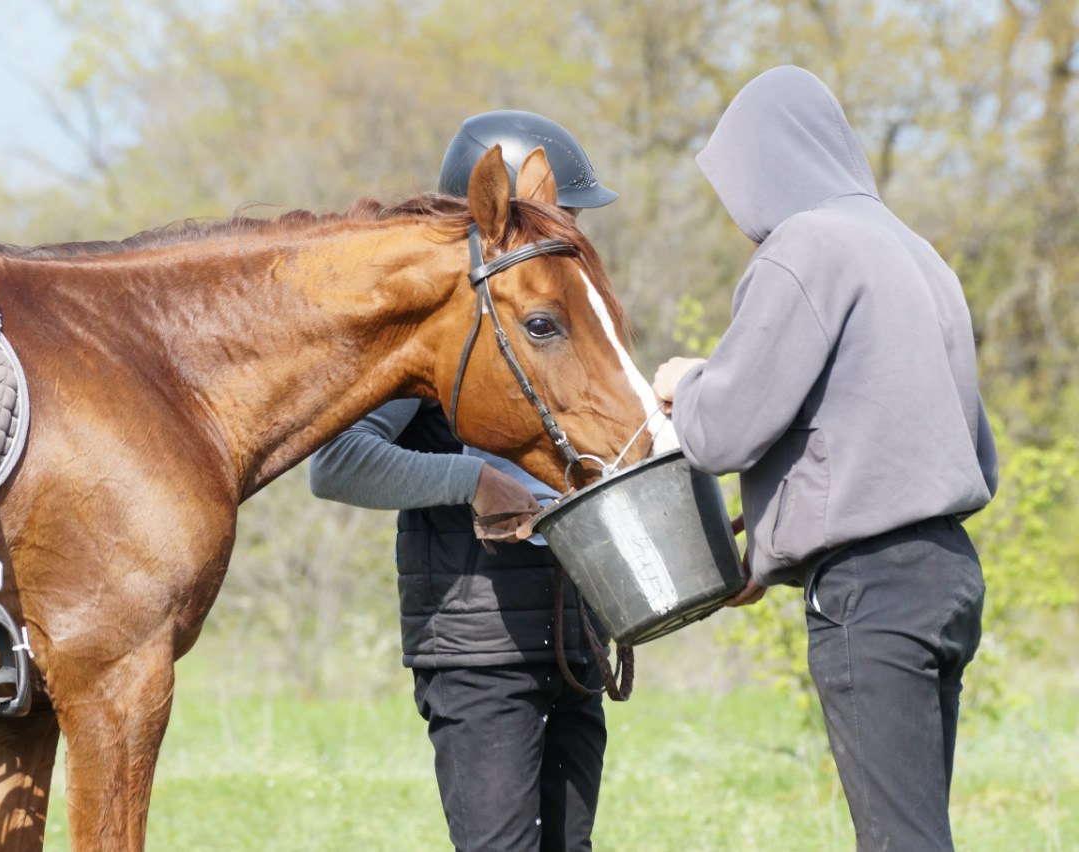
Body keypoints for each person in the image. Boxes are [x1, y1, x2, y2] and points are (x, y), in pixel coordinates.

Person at [652, 66, 998, 851]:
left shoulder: (807, 245)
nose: (746, 223)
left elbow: (720, 434)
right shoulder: (919, 254)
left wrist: (688, 381)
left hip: (868, 594)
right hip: (948, 577)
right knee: (918, 830)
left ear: (767, 163)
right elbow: (947, 444)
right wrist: (769, 549)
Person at [310, 109, 617, 851]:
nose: (568, 230)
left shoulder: (548, 323)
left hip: (572, 642)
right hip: (478, 655)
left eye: (569, 217)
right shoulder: (431, 338)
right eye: (553, 213)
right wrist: (473, 478)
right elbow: (336, 461)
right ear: (492, 215)